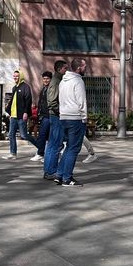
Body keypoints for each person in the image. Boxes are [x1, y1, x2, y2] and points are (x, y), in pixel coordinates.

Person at [55, 58, 87, 186]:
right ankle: (67, 178)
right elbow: (82, 101)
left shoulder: (63, 81)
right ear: (79, 68)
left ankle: (60, 174)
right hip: (75, 118)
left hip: (64, 117)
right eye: (84, 66)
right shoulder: (78, 81)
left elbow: (60, 99)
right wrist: (84, 117)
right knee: (74, 148)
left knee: (68, 147)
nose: (86, 68)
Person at [43, 60, 68, 180]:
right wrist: (60, 112)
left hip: (56, 116)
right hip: (56, 116)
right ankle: (50, 171)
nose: (66, 71)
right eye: (65, 69)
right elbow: (52, 101)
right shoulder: (56, 82)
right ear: (59, 69)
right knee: (55, 144)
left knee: (54, 144)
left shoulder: (58, 81)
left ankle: (49, 170)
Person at [4, 69, 32, 160]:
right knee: (11, 134)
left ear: (21, 77)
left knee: (24, 135)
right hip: (13, 116)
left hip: (21, 115)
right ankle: (13, 153)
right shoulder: (14, 87)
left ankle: (41, 148)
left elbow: (28, 100)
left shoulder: (25, 87)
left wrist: (26, 112)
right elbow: (13, 101)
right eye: (14, 76)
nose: (15, 77)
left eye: (17, 76)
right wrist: (10, 112)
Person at [31, 71, 52, 162]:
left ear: (51, 79)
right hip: (43, 115)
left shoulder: (51, 89)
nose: (45, 80)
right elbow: (41, 102)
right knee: (45, 136)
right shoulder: (43, 89)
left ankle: (40, 153)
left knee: (43, 135)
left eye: (47, 78)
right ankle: (43, 153)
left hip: (49, 115)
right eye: (44, 78)